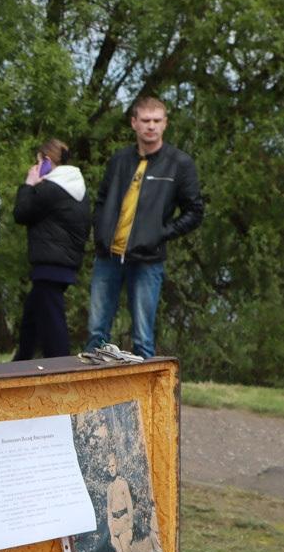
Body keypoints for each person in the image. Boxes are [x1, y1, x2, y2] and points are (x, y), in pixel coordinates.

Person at [87, 96, 204, 358]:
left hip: (148, 260)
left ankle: (148, 398)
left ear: (165, 124)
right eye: (145, 120)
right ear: (134, 123)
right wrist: (101, 232)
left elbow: (195, 211)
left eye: (156, 121)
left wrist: (160, 234)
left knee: (142, 337)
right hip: (108, 256)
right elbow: (102, 200)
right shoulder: (119, 160)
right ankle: (91, 396)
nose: (151, 126)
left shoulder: (179, 163)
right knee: (96, 333)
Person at [12, 138, 90, 359]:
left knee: (53, 321)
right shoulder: (77, 187)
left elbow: (21, 213)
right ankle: (21, 363)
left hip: (49, 264)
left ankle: (60, 367)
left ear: (46, 160)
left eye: (38, 161)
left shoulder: (50, 188)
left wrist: (29, 183)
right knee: (32, 318)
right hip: (64, 263)